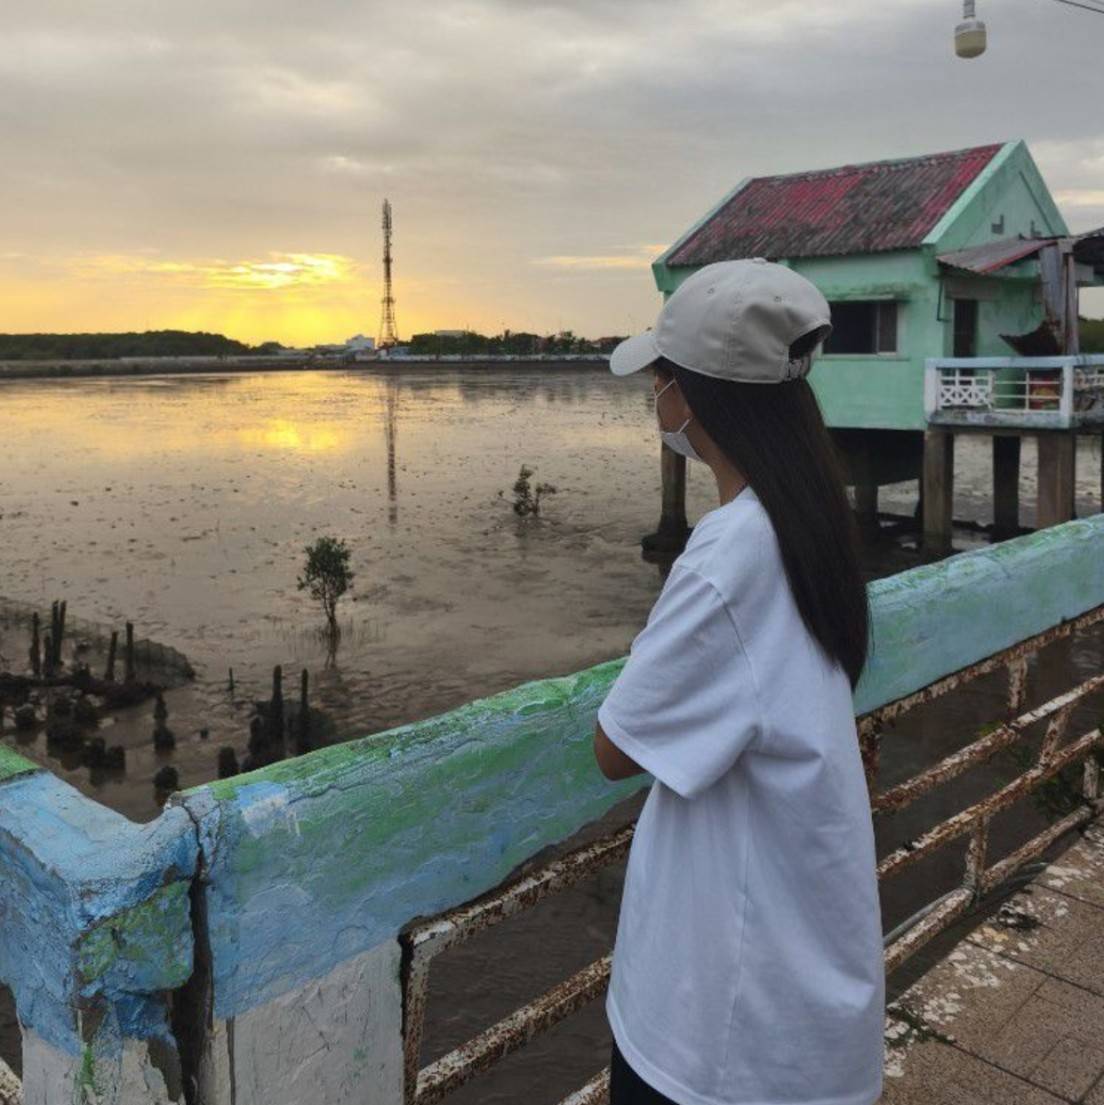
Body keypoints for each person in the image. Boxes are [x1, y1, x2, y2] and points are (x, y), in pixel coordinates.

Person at [593, 258, 884, 1105]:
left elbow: (614, 746)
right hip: (802, 1004)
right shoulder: (808, 518)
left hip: (720, 1037)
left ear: (688, 397)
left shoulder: (728, 552)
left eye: (660, 378)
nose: (657, 400)